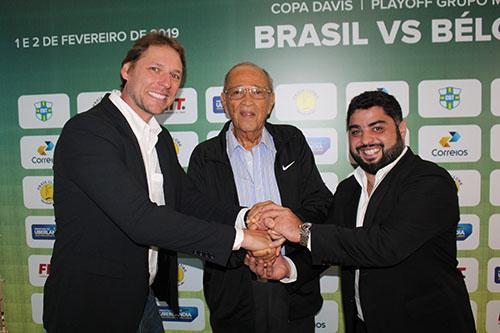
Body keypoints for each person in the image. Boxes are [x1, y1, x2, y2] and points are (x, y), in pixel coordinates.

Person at [42, 33, 277, 333]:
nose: (166, 82)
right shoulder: (88, 132)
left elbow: (188, 200)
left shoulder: (159, 137)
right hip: (90, 310)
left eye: (175, 75)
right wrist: (243, 239)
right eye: (155, 69)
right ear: (127, 71)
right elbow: (140, 219)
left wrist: (247, 216)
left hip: (142, 301)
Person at [253, 90, 476, 333]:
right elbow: (333, 245)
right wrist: (287, 267)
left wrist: (301, 231)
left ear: (401, 130)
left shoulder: (429, 180)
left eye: (377, 128)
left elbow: (386, 245)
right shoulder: (348, 189)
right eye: (356, 131)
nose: (365, 139)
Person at [187, 62, 333, 333]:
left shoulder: (293, 141)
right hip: (232, 293)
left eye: (257, 91)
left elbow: (321, 204)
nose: (247, 100)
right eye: (237, 91)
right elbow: (197, 223)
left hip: (292, 286)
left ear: (271, 101)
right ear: (224, 101)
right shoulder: (204, 156)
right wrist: (243, 249)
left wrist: (291, 226)